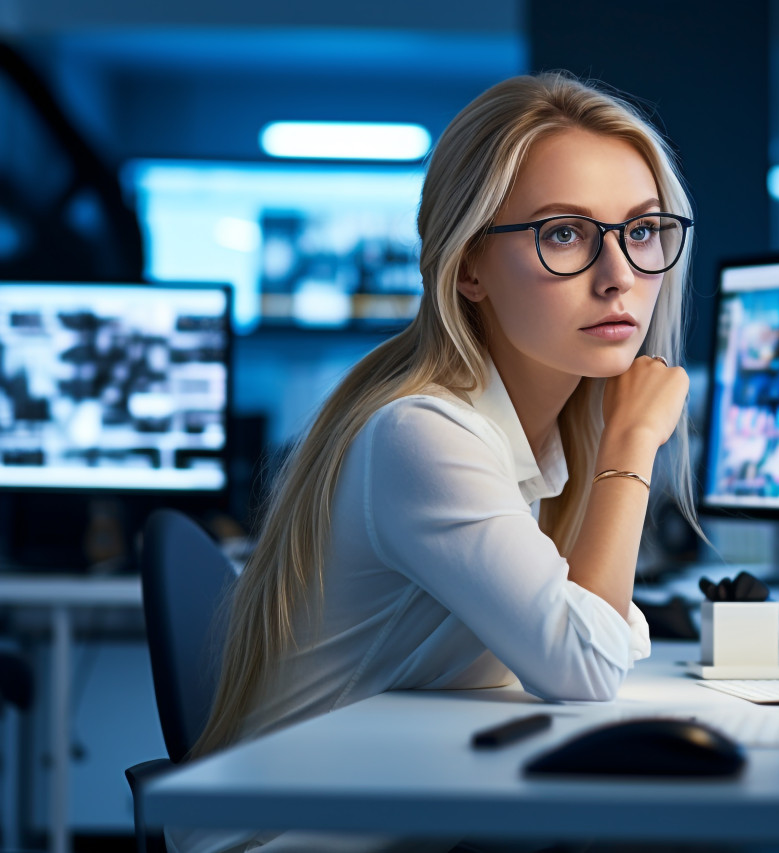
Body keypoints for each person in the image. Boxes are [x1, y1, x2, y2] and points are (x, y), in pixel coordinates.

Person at [172, 71, 699, 853]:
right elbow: (587, 659)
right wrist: (632, 445)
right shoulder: (422, 434)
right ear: (467, 268)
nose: (620, 273)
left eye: (643, 230)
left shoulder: (532, 437)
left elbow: (591, 637)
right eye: (564, 233)